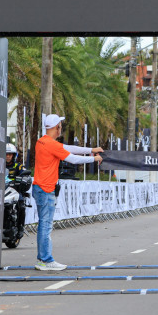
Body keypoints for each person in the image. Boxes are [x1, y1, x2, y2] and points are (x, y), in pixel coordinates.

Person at [33, 114, 104, 271]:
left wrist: (91, 150)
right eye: (60, 126)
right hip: (46, 189)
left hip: (39, 187)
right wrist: (94, 159)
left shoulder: (42, 142)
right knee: (46, 226)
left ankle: (42, 259)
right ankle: (45, 260)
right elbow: (73, 159)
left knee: (43, 225)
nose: (61, 128)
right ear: (57, 127)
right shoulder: (51, 145)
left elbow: (68, 148)